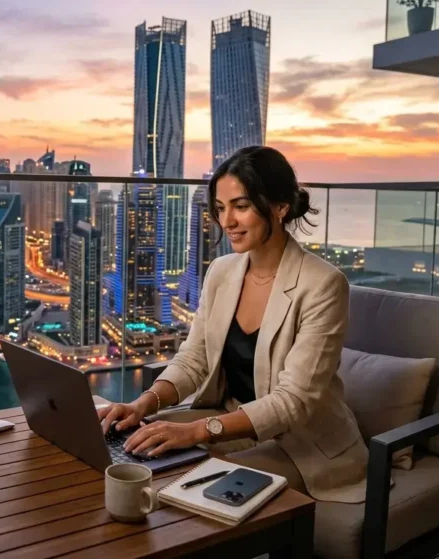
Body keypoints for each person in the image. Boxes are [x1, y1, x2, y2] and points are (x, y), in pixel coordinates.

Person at [97, 146, 369, 504]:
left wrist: (197, 431)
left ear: (280, 207)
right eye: (221, 208)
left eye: (241, 206)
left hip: (300, 443)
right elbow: (194, 358)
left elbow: (294, 402)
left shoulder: (323, 285)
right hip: (230, 419)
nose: (227, 222)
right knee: (130, 450)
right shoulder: (222, 271)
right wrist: (142, 404)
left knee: (185, 483)